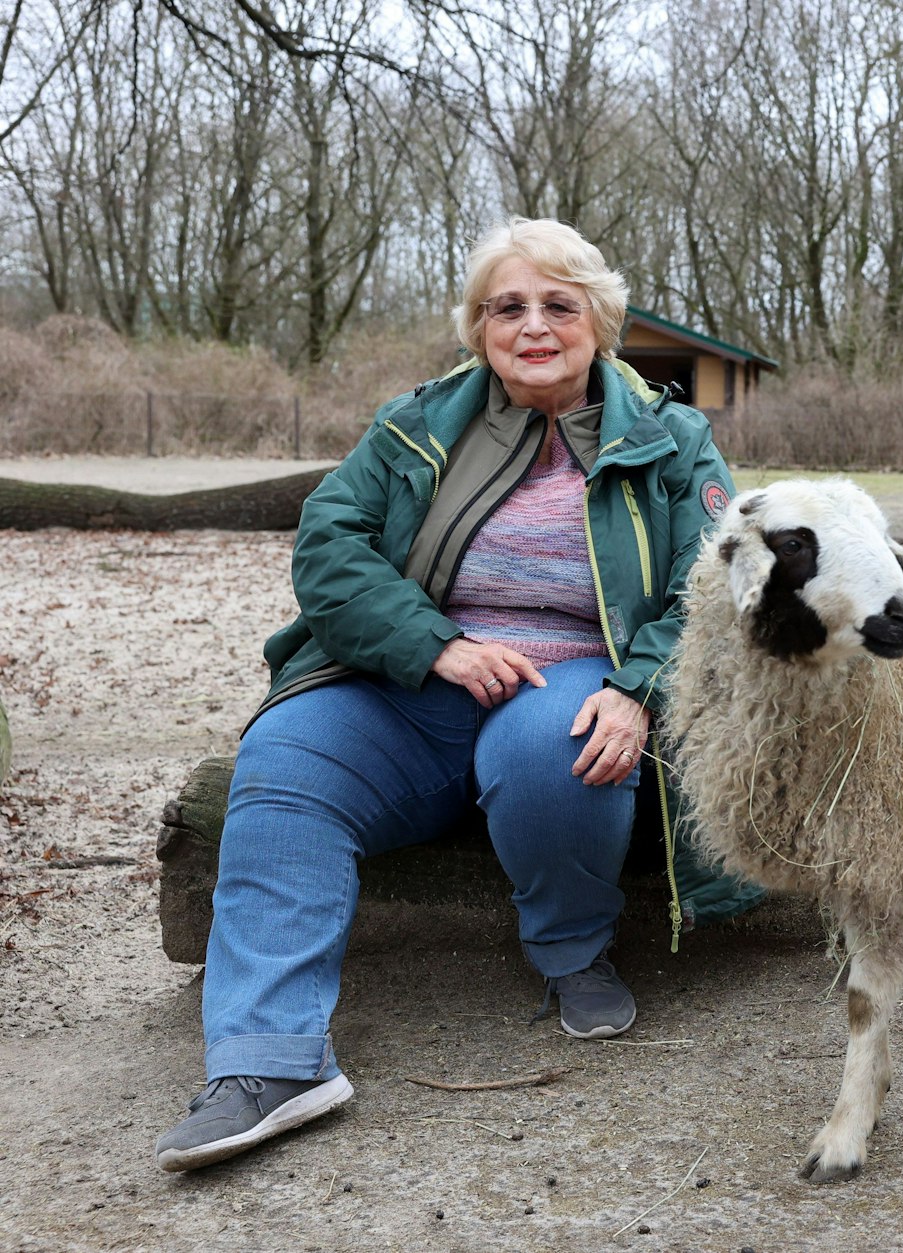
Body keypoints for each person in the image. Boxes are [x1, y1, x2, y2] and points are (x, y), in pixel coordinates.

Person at [155, 217, 758, 1172]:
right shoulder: (414, 426)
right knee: (283, 762)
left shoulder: (673, 439)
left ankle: (572, 952)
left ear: (599, 321)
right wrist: (431, 642)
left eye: (558, 305)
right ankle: (271, 1060)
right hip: (417, 672)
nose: (532, 326)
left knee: (550, 748)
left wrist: (637, 688)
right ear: (479, 328)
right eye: (506, 307)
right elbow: (329, 546)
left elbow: (717, 579)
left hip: (575, 671)